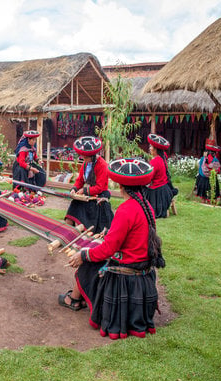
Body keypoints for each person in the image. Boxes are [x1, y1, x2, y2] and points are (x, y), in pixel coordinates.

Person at [59, 158, 165, 339]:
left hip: (127, 272)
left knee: (87, 263)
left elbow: (108, 250)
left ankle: (75, 300)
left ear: (121, 186)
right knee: (92, 253)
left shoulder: (126, 210)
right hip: (142, 269)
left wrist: (83, 255)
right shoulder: (146, 206)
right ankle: (78, 298)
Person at [65, 136, 113, 234]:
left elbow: (100, 187)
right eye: (83, 156)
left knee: (84, 216)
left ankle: (81, 234)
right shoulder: (86, 164)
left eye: (86, 157)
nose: (84, 158)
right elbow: (80, 180)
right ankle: (68, 234)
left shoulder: (102, 165)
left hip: (99, 197)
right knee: (73, 209)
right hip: (88, 195)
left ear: (93, 156)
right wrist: (74, 189)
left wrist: (84, 191)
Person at [143, 134, 178, 218]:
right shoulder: (162, 158)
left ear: (156, 149)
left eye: (151, 147)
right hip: (165, 190)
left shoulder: (155, 161)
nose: (150, 148)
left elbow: (148, 178)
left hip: (157, 191)